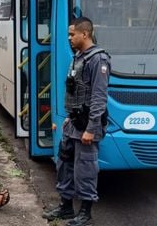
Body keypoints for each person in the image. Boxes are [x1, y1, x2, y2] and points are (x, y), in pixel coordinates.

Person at [43, 17, 111, 226]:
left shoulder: (98, 60)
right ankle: (65, 207)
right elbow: (76, 91)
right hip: (73, 124)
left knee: (85, 169)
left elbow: (99, 98)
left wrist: (91, 129)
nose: (69, 38)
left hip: (87, 128)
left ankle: (85, 212)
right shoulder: (79, 57)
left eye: (72, 34)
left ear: (85, 34)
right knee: (65, 165)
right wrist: (68, 119)